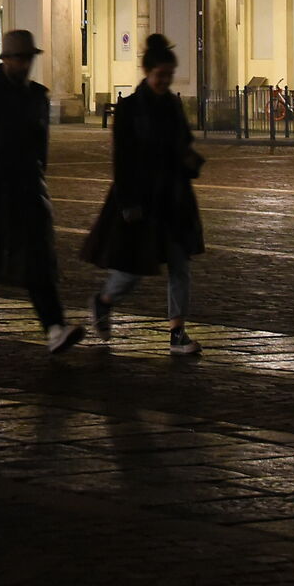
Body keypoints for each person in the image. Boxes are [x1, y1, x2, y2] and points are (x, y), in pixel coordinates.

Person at [0, 29, 84, 355]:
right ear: (5, 59)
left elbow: (39, 143)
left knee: (36, 258)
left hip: (23, 188)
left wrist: (38, 174)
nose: (24, 65)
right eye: (19, 58)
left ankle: (54, 327)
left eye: (28, 59)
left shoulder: (36, 95)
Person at [83, 35, 206, 357]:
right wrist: (128, 202)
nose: (165, 81)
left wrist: (190, 161)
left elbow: (182, 142)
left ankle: (177, 331)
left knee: (180, 265)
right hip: (141, 197)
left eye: (169, 76)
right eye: (160, 75)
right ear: (147, 71)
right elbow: (121, 159)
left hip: (174, 197)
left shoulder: (172, 104)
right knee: (134, 267)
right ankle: (104, 300)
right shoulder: (130, 109)